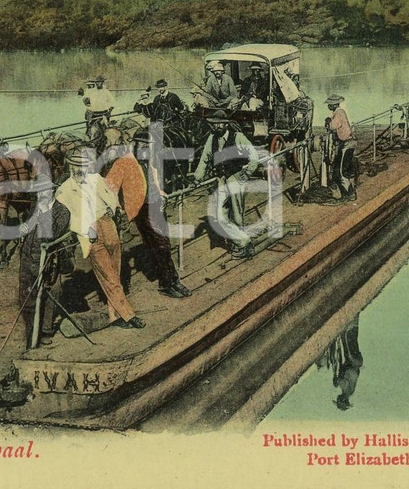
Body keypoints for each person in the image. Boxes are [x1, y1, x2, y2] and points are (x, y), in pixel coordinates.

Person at [55, 147, 145, 329]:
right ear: (70, 167)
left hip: (108, 225)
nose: (80, 169)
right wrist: (86, 229)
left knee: (115, 272)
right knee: (109, 275)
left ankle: (113, 314)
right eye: (76, 166)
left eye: (83, 165)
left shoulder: (96, 179)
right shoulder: (64, 191)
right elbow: (68, 219)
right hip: (92, 233)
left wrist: (115, 207)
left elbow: (110, 196)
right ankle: (128, 315)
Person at [107, 130, 192, 298]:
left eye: (148, 146)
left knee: (161, 244)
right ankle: (169, 283)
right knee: (162, 243)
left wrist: (160, 192)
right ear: (135, 144)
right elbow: (109, 187)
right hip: (143, 208)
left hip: (156, 205)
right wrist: (117, 206)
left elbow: (153, 179)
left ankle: (169, 280)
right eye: (143, 145)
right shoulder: (123, 163)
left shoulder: (146, 161)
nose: (145, 149)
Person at [193, 111, 259, 259]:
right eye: (213, 124)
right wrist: (197, 178)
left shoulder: (237, 137)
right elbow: (205, 158)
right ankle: (244, 242)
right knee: (220, 217)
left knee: (237, 214)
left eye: (219, 123)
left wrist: (246, 174)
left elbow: (254, 156)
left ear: (225, 123)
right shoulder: (212, 139)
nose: (216, 126)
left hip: (235, 178)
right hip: (221, 180)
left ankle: (242, 247)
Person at [17, 173, 72, 347]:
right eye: (38, 192)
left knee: (47, 295)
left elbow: (51, 236)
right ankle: (31, 336)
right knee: (26, 300)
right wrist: (25, 228)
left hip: (47, 261)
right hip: (27, 259)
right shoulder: (36, 207)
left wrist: (44, 212)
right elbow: (30, 227)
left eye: (44, 192)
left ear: (53, 191)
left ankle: (43, 332)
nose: (41, 195)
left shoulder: (62, 211)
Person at [325, 94, 357, 201]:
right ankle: (347, 192)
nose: (328, 106)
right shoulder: (339, 112)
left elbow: (333, 126)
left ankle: (349, 194)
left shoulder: (339, 113)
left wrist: (328, 122)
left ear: (334, 105)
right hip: (348, 143)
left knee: (342, 171)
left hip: (347, 144)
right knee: (342, 169)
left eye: (330, 104)